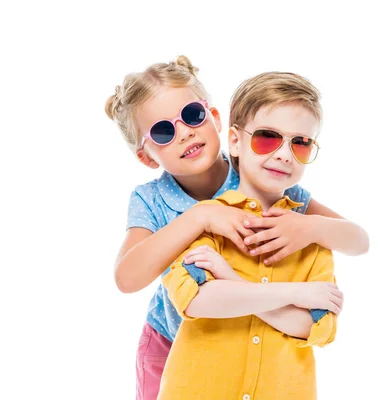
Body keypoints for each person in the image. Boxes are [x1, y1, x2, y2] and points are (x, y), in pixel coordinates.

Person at [105, 56, 369, 400]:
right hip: (171, 337)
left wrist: (310, 226)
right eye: (164, 131)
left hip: (249, 334)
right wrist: (200, 216)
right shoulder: (151, 199)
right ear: (147, 156)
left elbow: (359, 241)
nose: (185, 132)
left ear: (215, 119)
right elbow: (127, 278)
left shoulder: (262, 175)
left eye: (192, 116)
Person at [160, 71, 342, 399]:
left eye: (301, 143)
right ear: (234, 141)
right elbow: (197, 300)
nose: (286, 154)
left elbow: (313, 326)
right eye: (268, 137)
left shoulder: (313, 239)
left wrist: (229, 280)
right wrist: (296, 294)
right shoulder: (206, 220)